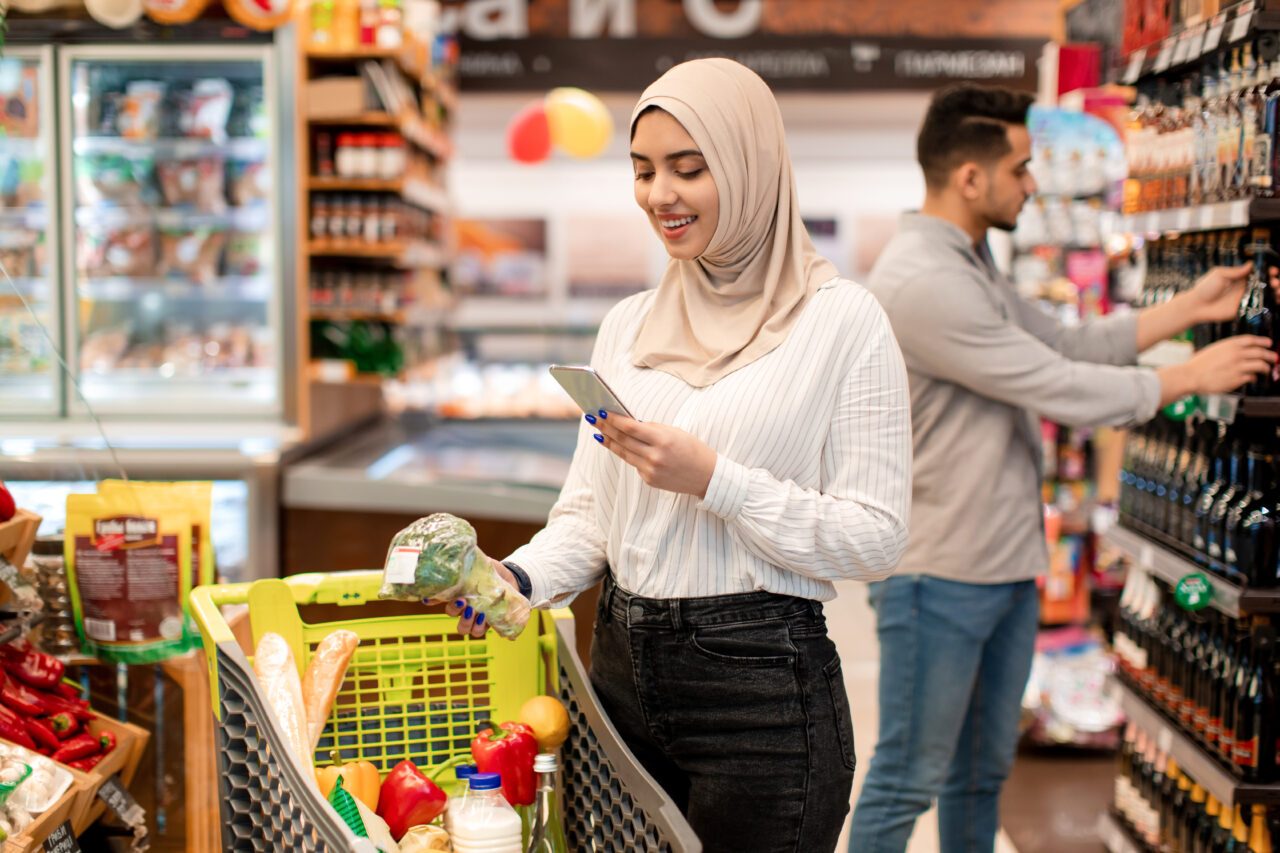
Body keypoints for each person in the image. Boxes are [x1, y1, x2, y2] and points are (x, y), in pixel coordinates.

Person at [445, 58, 912, 851]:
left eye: (689, 169)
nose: (660, 193)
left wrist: (717, 481)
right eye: (643, 170)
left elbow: (876, 536)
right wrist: (518, 579)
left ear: (751, 166)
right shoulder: (628, 326)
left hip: (762, 695)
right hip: (620, 671)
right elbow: (590, 513)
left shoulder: (845, 323)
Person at [848, 83, 1278, 853]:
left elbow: (1067, 343)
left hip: (1002, 564)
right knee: (907, 776)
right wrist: (1187, 375)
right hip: (938, 574)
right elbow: (1056, 383)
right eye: (1021, 168)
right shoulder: (924, 280)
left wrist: (1187, 308)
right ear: (971, 177)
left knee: (980, 777)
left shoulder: (970, 264)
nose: (1034, 183)